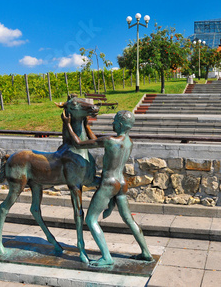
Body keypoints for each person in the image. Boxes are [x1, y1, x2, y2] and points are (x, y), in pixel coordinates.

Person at [62, 110, 153, 267]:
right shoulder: (128, 141)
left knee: (91, 220)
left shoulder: (110, 140)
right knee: (128, 219)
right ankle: (146, 252)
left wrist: (68, 124)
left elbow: (78, 143)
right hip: (122, 182)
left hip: (109, 183)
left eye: (114, 121)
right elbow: (98, 141)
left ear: (120, 124)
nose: (112, 124)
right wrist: (86, 125)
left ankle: (106, 257)